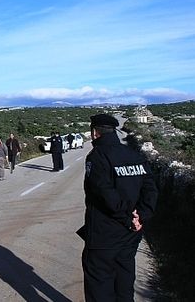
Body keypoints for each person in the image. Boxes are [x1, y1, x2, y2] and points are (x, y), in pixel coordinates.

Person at [78, 113, 158, 301]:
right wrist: (141, 216)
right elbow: (151, 189)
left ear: (95, 133)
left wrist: (127, 217)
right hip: (131, 233)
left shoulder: (97, 156)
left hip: (104, 233)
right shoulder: (134, 155)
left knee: (99, 285)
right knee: (124, 279)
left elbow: (104, 194)